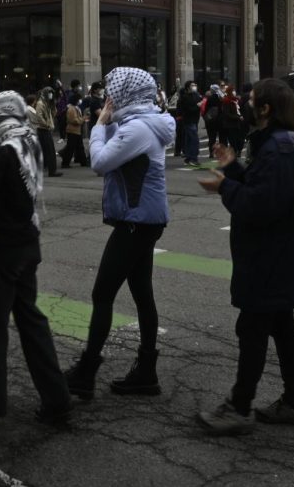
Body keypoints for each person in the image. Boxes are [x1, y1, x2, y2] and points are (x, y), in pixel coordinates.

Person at [194, 80, 294, 434]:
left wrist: (224, 185)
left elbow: (259, 206)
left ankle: (239, 408)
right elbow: (262, 188)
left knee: (253, 330)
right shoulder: (279, 145)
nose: (244, 106)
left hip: (270, 259)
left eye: (251, 102)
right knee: (283, 328)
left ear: (266, 109)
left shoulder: (279, 151)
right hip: (277, 257)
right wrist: (235, 168)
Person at [65, 67, 176, 400]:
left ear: (127, 93)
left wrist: (99, 123)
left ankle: (86, 372)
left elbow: (99, 162)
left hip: (136, 222)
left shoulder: (139, 129)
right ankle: (146, 372)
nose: (109, 96)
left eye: (114, 90)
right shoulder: (140, 124)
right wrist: (109, 120)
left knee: (102, 294)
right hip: (142, 220)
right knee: (142, 293)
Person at [0, 91, 72, 425]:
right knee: (32, 323)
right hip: (28, 243)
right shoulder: (28, 142)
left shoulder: (1, 152)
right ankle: (57, 401)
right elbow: (8, 184)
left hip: (2, 251)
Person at [33, 87, 60, 177]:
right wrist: (46, 125)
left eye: (52, 93)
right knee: (50, 151)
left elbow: (54, 114)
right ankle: (52, 171)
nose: (51, 95)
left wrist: (53, 105)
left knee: (44, 151)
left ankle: (44, 168)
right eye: (49, 93)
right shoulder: (41, 103)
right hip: (43, 129)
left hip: (45, 129)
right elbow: (39, 117)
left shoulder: (47, 103)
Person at [60, 94, 89, 168]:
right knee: (71, 148)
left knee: (79, 147)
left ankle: (83, 162)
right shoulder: (71, 109)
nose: (80, 101)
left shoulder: (75, 108)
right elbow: (74, 120)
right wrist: (83, 119)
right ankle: (65, 163)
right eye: (79, 99)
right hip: (72, 130)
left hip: (76, 131)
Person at [178, 81, 202, 165]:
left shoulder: (196, 95)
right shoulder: (185, 97)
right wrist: (198, 106)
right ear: (188, 87)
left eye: (195, 85)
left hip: (195, 120)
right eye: (192, 85)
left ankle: (188, 158)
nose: (194, 86)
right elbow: (188, 109)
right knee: (194, 140)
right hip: (188, 120)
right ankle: (193, 159)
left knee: (189, 140)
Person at [220, 84, 247, 154]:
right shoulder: (226, 101)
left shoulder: (236, 100)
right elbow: (227, 114)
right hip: (230, 124)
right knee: (232, 139)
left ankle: (238, 150)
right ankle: (234, 152)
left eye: (234, 90)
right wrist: (238, 117)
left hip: (237, 123)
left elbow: (240, 109)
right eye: (233, 90)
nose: (234, 92)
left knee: (239, 138)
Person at [201, 83, 224, 159]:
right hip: (220, 120)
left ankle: (211, 153)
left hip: (211, 120)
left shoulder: (209, 98)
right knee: (221, 137)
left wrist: (205, 117)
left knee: (212, 137)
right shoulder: (221, 98)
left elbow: (206, 109)